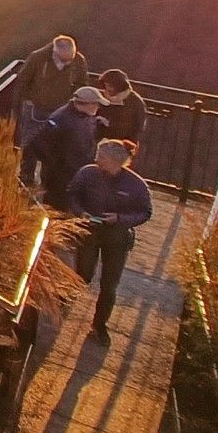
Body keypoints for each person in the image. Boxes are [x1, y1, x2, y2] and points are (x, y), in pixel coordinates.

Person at [66, 138, 153, 345]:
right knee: (83, 274)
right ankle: (65, 300)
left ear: (116, 161)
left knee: (109, 285)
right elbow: (73, 193)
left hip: (117, 237)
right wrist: (81, 212)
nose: (97, 159)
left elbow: (145, 212)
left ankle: (99, 325)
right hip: (90, 231)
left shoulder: (136, 185)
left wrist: (120, 219)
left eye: (102, 157)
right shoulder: (87, 173)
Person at [21, 85, 108, 209]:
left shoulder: (86, 117)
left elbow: (86, 141)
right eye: (96, 104)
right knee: (57, 207)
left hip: (77, 171)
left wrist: (100, 129)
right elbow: (37, 144)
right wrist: (57, 165)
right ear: (87, 103)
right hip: (60, 176)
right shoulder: (60, 118)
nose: (98, 108)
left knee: (73, 206)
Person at [12, 35, 89, 146]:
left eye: (71, 58)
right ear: (55, 52)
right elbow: (22, 80)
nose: (68, 62)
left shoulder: (79, 60)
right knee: (29, 144)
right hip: (35, 108)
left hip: (61, 110)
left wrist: (73, 102)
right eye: (64, 59)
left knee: (53, 146)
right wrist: (25, 101)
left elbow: (82, 83)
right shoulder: (37, 57)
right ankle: (27, 163)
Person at [95, 69, 147, 145]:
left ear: (119, 86)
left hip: (122, 142)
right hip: (100, 140)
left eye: (110, 86)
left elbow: (138, 126)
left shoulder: (135, 101)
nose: (108, 89)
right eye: (106, 85)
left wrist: (110, 124)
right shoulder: (101, 96)